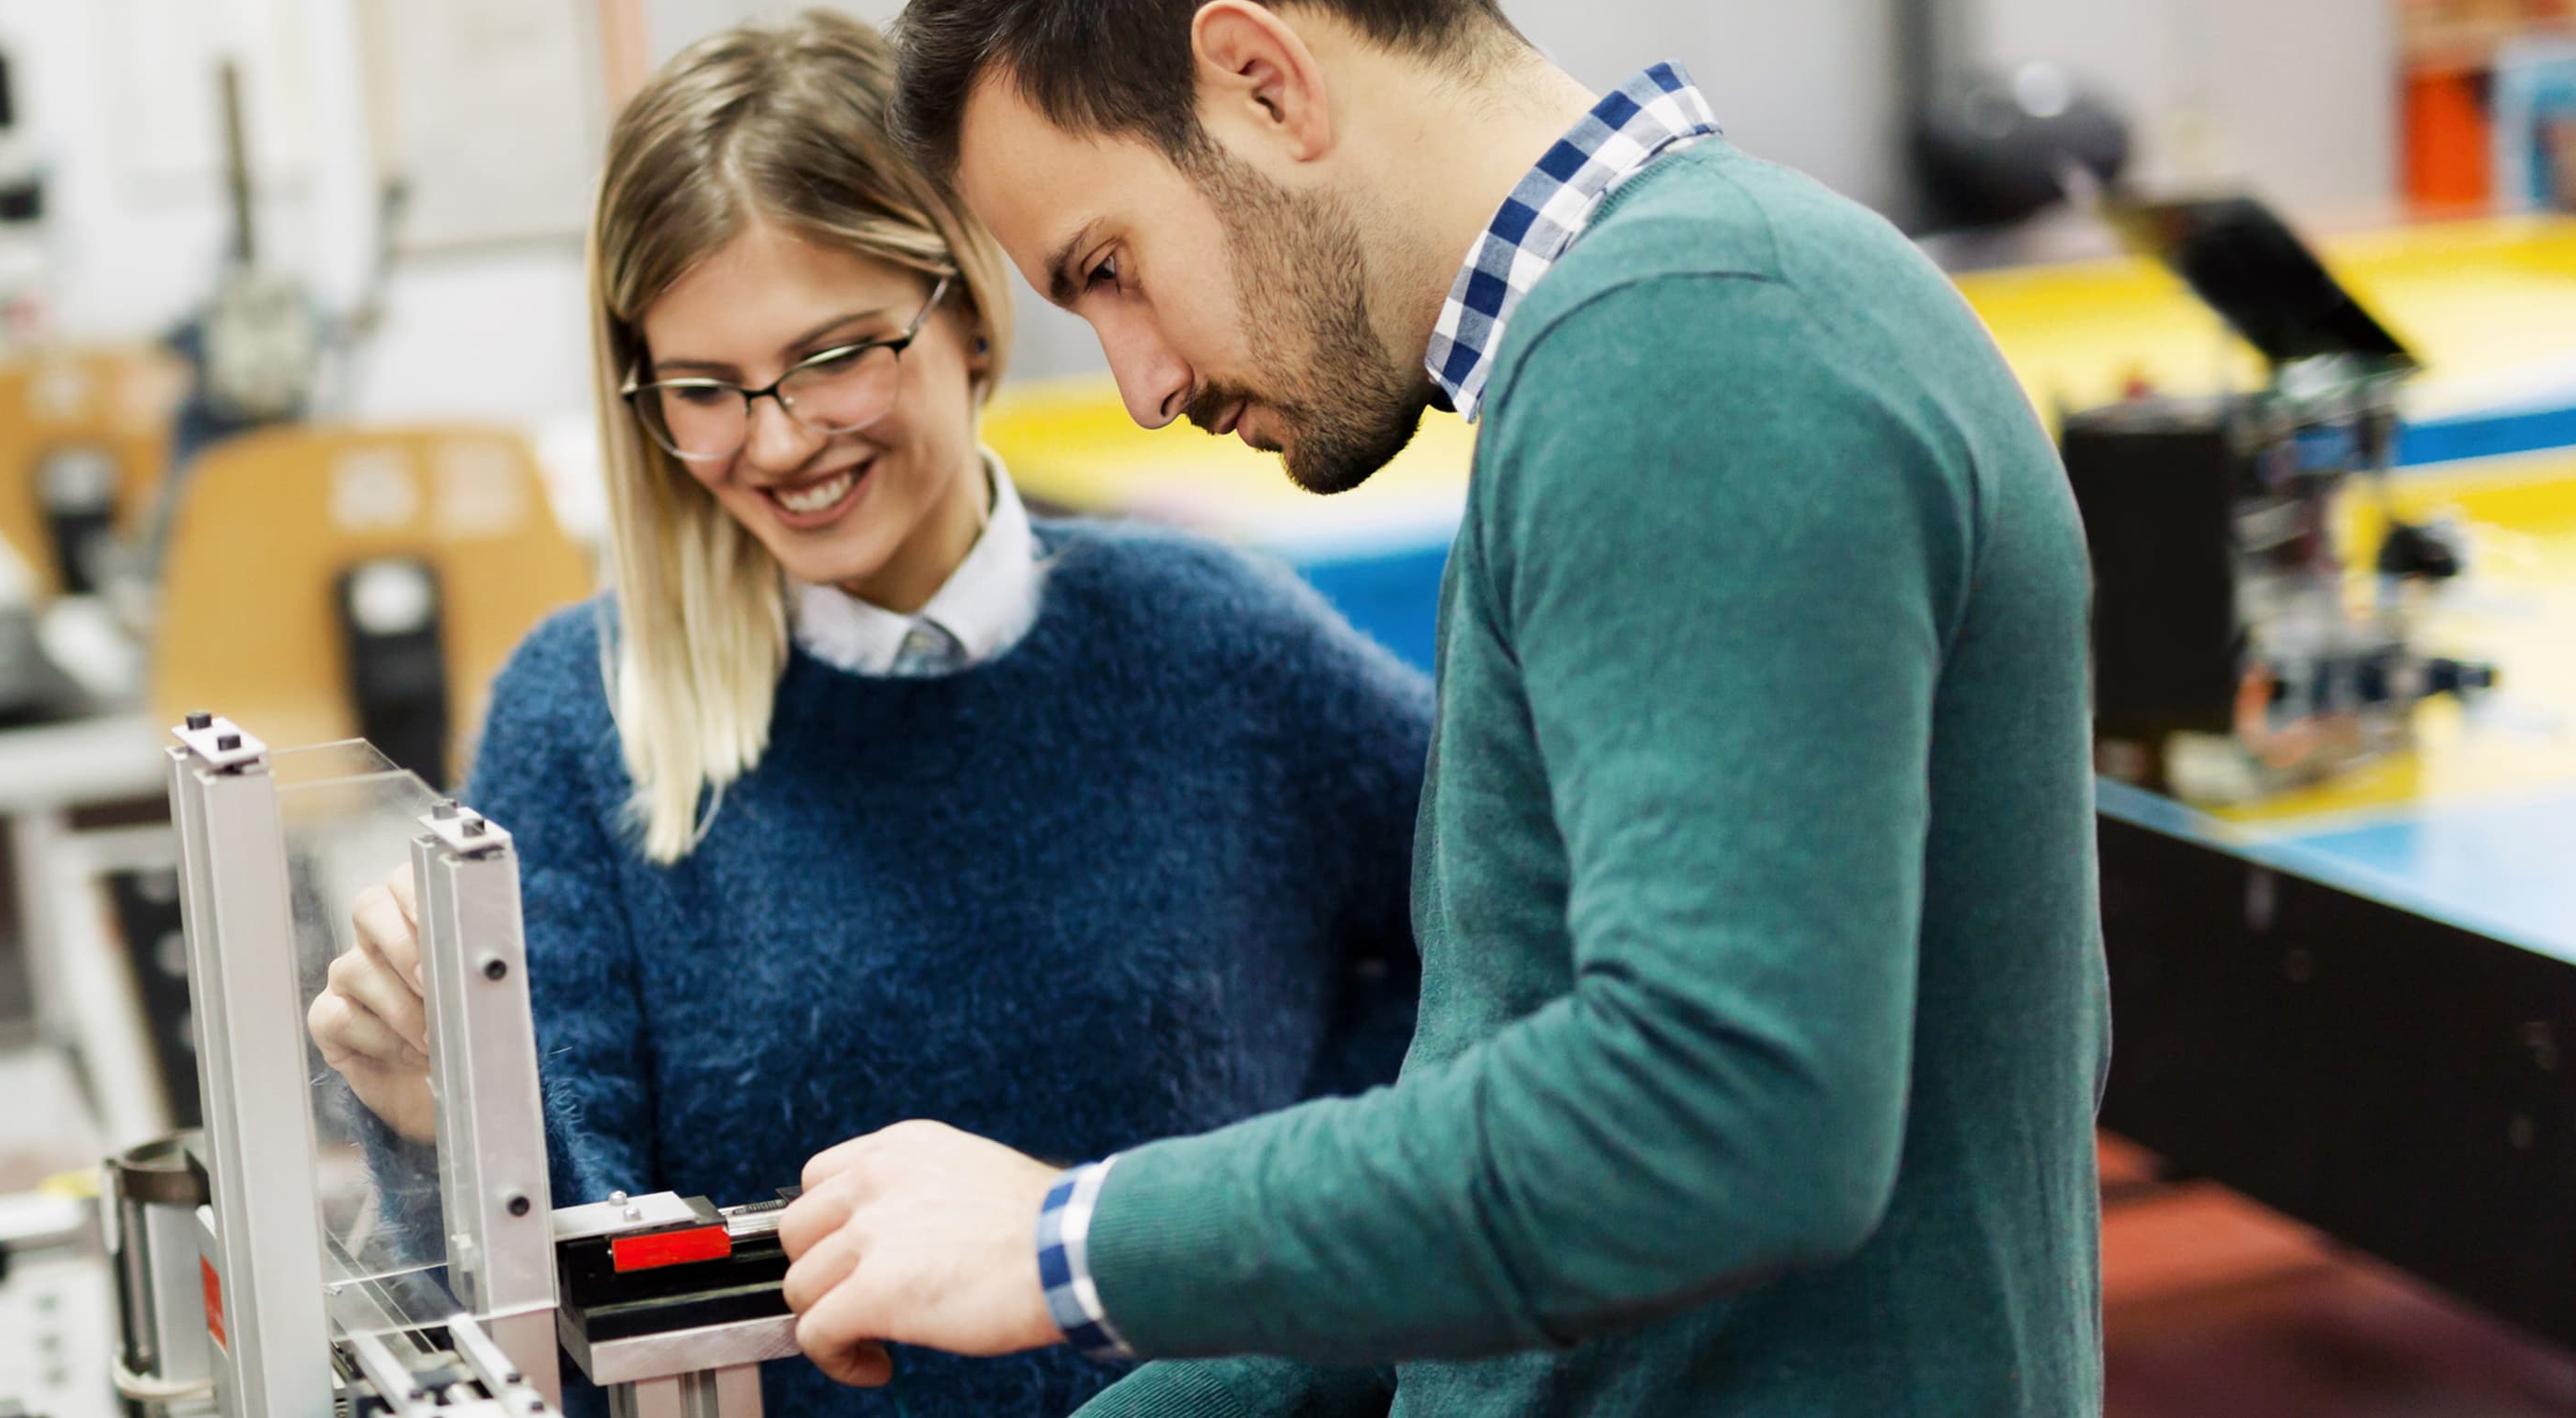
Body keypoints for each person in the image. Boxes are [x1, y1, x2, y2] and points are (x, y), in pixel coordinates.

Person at [772, 3, 2108, 1417]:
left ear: (1263, 82)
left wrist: (1073, 1244)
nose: (1144, 383)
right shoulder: (1633, 343)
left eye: (1111, 269)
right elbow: (1518, 1242)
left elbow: (1722, 1117)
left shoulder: (1693, 345)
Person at [299, 12, 1439, 1415]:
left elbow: (1509, 952)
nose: (777, 443)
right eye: (705, 391)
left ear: (967, 310)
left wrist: (1293, 1204)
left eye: (834, 357)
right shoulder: (582, 719)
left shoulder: (1218, 640)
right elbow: (566, 1331)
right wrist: (441, 1122)